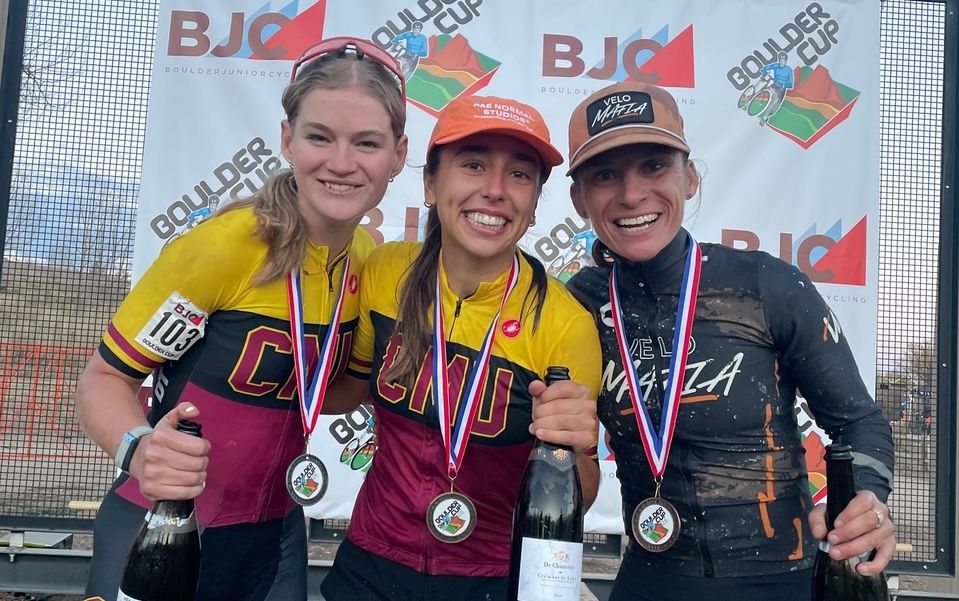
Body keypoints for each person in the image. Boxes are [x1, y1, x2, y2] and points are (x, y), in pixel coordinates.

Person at [74, 36, 409, 601]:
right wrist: (138, 448)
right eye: (319, 137)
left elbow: (335, 393)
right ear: (287, 139)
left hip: (276, 541)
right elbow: (105, 379)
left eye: (367, 143)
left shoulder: (369, 268)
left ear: (398, 155)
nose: (342, 163)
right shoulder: (227, 247)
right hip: (164, 529)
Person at [563, 81, 895, 601]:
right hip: (651, 580)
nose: (631, 195)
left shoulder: (767, 284)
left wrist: (869, 500)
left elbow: (857, 421)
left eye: (654, 166)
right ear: (578, 199)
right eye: (605, 176)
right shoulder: (573, 306)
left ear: (690, 178)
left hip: (783, 582)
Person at [318, 94, 603, 600]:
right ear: (430, 182)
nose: (494, 191)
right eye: (473, 165)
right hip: (369, 565)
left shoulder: (566, 324)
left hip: (490, 580)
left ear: (536, 203)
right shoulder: (386, 273)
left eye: (519, 175)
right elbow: (346, 391)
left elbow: (580, 490)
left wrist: (573, 447)